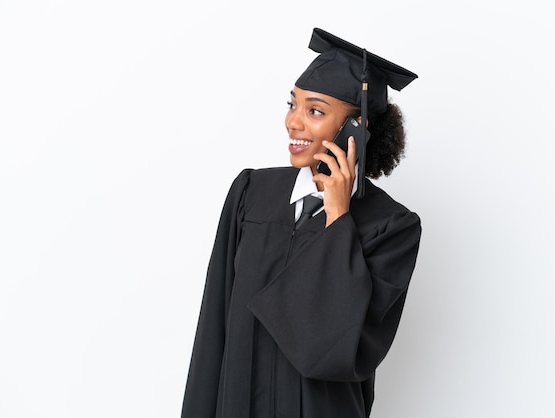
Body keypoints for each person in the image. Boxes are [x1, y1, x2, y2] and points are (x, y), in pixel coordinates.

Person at [181, 28, 422, 418]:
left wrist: (338, 218)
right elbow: (214, 329)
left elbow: (333, 349)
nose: (293, 122)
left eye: (315, 111)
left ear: (356, 130)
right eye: (292, 105)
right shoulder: (250, 193)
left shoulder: (391, 227)